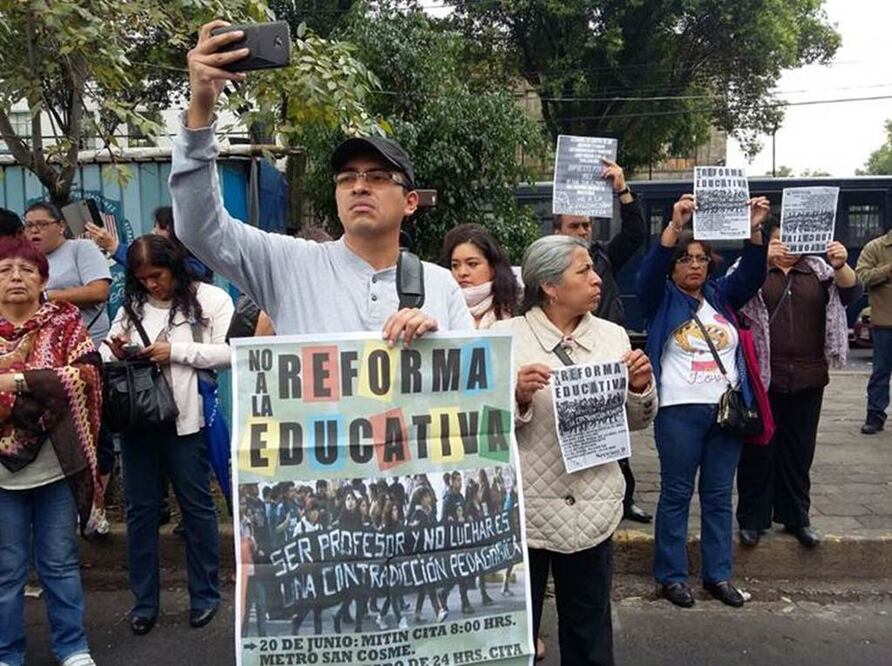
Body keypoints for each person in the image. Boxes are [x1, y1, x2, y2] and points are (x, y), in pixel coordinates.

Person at [170, 21, 472, 341]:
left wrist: (439, 345)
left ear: (410, 201)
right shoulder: (289, 266)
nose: (359, 186)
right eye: (346, 178)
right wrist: (200, 111)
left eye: (378, 176)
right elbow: (199, 228)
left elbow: (477, 382)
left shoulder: (441, 286)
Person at [492, 235, 657, 666]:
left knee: (589, 631)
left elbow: (637, 421)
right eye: (583, 270)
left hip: (593, 508)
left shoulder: (612, 335)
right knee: (515, 634)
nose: (596, 278)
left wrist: (639, 389)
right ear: (549, 285)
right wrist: (518, 397)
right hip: (525, 512)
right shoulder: (503, 337)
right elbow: (481, 427)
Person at [636, 193, 769, 609]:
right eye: (685, 258)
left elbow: (753, 273)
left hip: (726, 414)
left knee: (717, 496)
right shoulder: (660, 298)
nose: (694, 264)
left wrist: (754, 230)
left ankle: (718, 575)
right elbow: (649, 271)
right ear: (673, 266)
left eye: (701, 257)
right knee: (676, 493)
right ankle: (672, 577)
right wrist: (675, 224)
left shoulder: (721, 295)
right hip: (679, 412)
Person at [100, 235, 234, 635]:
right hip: (140, 421)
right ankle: (144, 603)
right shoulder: (133, 303)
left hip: (187, 422)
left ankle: (205, 595)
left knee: (197, 510)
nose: (152, 285)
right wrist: (117, 350)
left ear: (174, 266)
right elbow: (108, 350)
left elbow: (229, 353)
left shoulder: (211, 299)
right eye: (142, 279)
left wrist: (174, 351)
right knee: (140, 514)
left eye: (156, 276)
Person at [0, 236, 103, 666]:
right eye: (4, 270)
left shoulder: (64, 323)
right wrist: (47, 384)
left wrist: (17, 382)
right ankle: (8, 652)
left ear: (44, 281)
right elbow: (61, 381)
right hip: (2, 476)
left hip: (56, 466)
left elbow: (86, 376)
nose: (16, 278)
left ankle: (72, 648)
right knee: (7, 570)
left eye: (27, 270)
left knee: (59, 562)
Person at [736, 221, 861, 548]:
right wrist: (761, 260)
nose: (787, 247)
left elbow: (852, 291)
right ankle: (753, 519)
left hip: (808, 376)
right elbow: (730, 294)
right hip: (763, 377)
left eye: (792, 240)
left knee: (799, 450)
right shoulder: (753, 270)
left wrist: (842, 263)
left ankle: (796, 517)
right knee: (758, 450)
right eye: (778, 241)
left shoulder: (819, 270)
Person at [552, 161, 651, 525]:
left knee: (617, 428)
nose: (583, 230)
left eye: (587, 224)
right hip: (564, 353)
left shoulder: (605, 257)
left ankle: (624, 498)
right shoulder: (546, 267)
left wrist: (622, 190)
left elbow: (637, 234)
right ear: (558, 231)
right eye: (574, 226)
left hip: (604, 352)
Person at [24, 201, 114, 539]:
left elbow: (99, 290)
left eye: (41, 224)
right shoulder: (27, 261)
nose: (33, 231)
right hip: (39, 365)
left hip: (84, 356)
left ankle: (96, 508)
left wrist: (49, 296)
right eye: (28, 224)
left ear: (61, 226)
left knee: (94, 433)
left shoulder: (81, 249)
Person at [85, 205, 212, 283]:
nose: (153, 232)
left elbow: (180, 269)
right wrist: (113, 247)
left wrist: (115, 247)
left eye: (160, 228)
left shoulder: (196, 262)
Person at [441, 223, 519, 328]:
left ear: (493, 267)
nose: (462, 272)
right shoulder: (437, 308)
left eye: (472, 264)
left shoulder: (518, 308)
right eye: (455, 265)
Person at [855, 228, 892, 434]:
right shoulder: (876, 247)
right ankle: (875, 415)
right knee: (880, 373)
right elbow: (860, 277)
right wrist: (887, 270)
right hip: (885, 322)